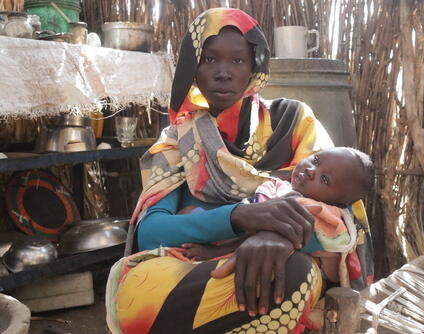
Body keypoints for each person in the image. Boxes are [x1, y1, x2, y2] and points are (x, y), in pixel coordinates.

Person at [106, 8, 373, 334]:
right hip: (193, 268)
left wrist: (275, 236)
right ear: (191, 67)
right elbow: (152, 233)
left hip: (280, 262)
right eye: (209, 60)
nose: (223, 72)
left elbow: (341, 213)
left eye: (238, 60)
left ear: (254, 68)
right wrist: (240, 218)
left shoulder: (293, 122)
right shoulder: (178, 141)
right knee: (137, 292)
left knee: (292, 274)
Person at [181, 147, 374, 286]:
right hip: (238, 226)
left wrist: (214, 251)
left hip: (257, 258)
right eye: (316, 160)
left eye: (324, 179)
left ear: (337, 204)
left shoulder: (321, 214)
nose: (310, 171)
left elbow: (267, 234)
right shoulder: (283, 183)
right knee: (189, 213)